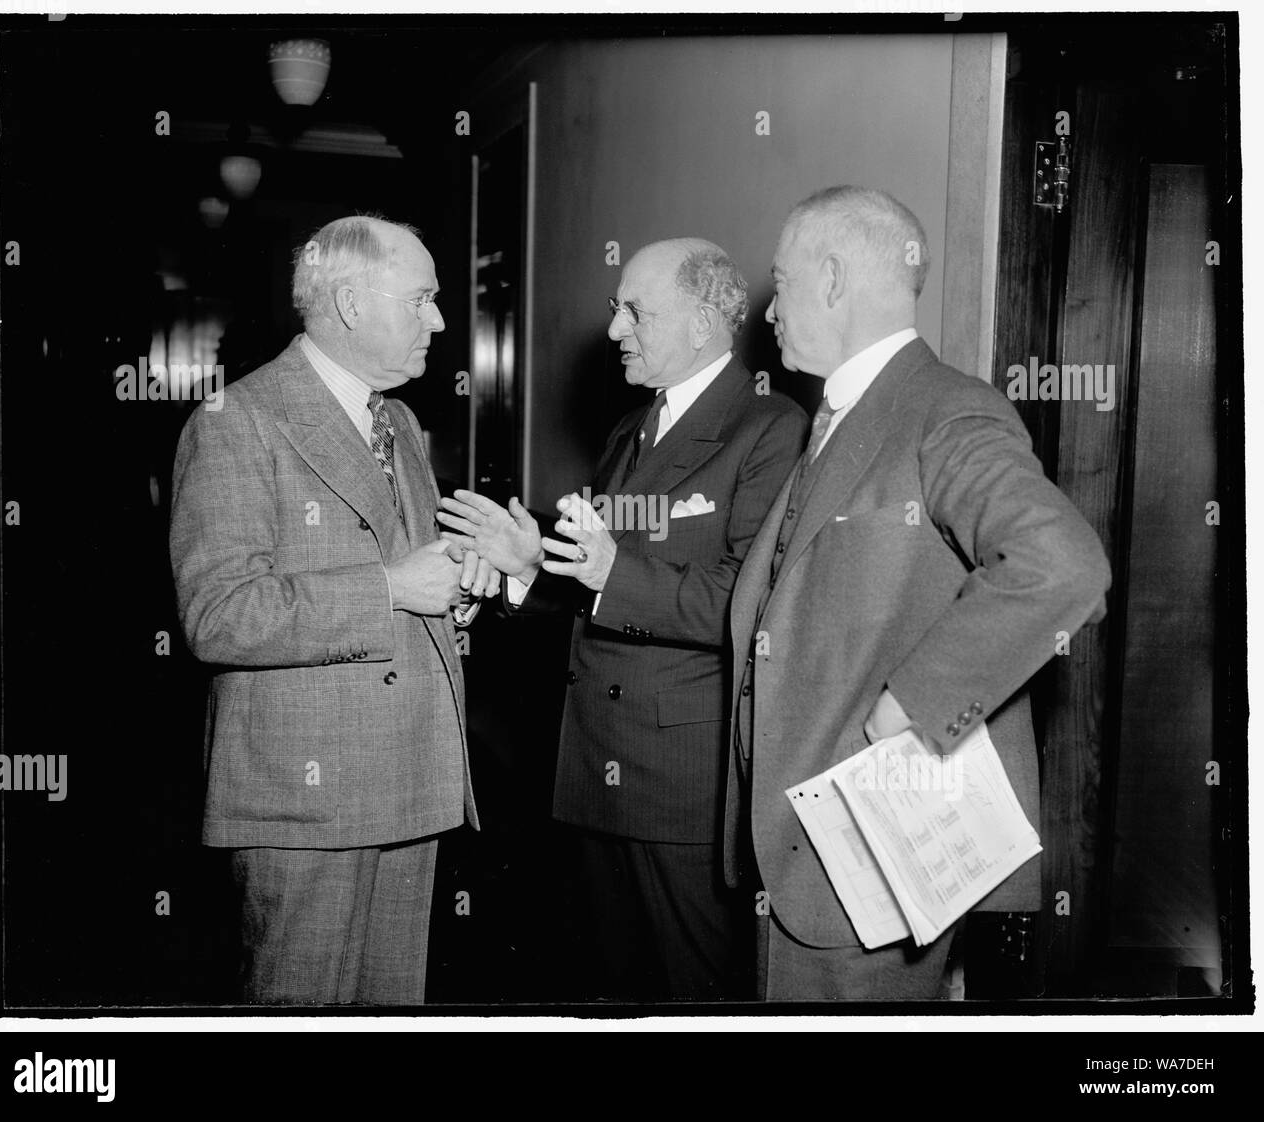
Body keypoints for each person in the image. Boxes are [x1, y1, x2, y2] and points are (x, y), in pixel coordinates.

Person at [726, 187, 1111, 1000]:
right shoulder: (838, 416)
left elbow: (1063, 566)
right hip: (801, 859)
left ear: (832, 280)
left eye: (781, 282)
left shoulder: (946, 409)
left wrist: (918, 701)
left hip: (871, 855)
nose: (770, 311)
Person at [437, 239, 807, 1001]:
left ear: (704, 323)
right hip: (593, 771)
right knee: (608, 986)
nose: (614, 331)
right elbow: (593, 598)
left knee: (690, 991)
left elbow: (752, 599)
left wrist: (608, 572)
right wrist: (525, 565)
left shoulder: (772, 430)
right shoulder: (629, 430)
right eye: (616, 310)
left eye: (636, 311)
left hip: (683, 788)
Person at [170, 215, 496, 1004]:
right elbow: (218, 614)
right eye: (422, 300)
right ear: (351, 304)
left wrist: (454, 599)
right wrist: (389, 587)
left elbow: (414, 579)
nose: (441, 320)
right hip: (303, 800)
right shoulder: (238, 421)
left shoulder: (402, 424)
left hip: (411, 780)